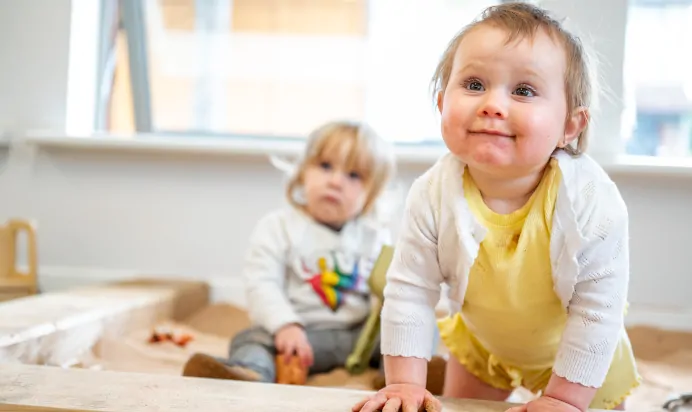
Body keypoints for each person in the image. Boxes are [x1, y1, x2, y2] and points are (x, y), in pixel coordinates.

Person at [352, 3, 640, 412]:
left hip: (578, 353)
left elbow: (598, 310)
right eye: (473, 84)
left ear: (570, 126)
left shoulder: (592, 201)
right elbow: (410, 291)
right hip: (484, 346)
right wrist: (405, 385)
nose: (492, 104)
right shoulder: (433, 192)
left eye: (523, 91)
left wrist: (566, 400)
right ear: (440, 102)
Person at [182, 120, 395, 383]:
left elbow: (386, 291)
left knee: (414, 327)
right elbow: (262, 283)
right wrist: (285, 325)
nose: (336, 182)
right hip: (300, 338)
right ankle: (250, 373)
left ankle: (404, 378)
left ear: (371, 194)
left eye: (354, 176)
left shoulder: (374, 236)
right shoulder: (279, 227)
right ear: (303, 172)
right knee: (250, 339)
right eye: (325, 166)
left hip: (359, 339)